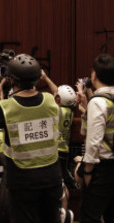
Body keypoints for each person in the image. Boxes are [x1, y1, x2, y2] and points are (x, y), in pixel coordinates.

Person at [0, 54, 62, 223]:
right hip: (52, 177)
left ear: (11, 80)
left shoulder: (5, 107)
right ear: (38, 79)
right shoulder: (51, 101)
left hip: (22, 181)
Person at [74, 53, 114, 222]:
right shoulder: (105, 100)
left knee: (89, 216)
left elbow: (92, 141)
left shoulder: (98, 102)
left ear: (95, 75)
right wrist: (85, 108)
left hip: (102, 169)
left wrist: (88, 171)